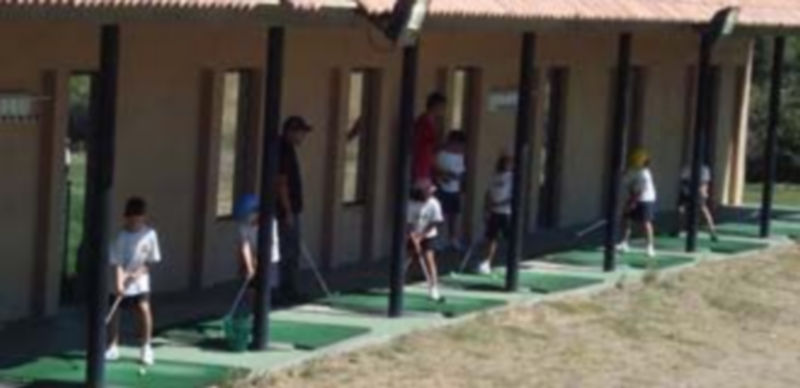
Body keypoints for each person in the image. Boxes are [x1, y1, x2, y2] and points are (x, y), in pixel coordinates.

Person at [105, 197, 161, 366]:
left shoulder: (150, 235)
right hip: (121, 278)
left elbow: (151, 261)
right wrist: (119, 283)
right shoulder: (121, 237)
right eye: (131, 219)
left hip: (141, 280)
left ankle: (146, 347)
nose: (135, 223)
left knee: (144, 308)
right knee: (115, 311)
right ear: (126, 218)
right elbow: (117, 263)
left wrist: (138, 273)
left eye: (138, 219)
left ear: (143, 217)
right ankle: (112, 346)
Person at [277, 116, 312, 301]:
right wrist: (288, 211)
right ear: (291, 132)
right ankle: (284, 290)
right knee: (287, 251)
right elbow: (281, 182)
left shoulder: (289, 149)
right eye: (301, 132)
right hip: (285, 211)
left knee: (292, 250)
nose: (303, 137)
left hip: (292, 209)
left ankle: (289, 288)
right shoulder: (282, 150)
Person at [234, 194, 280, 307]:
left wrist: (257, 261)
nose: (248, 220)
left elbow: (269, 244)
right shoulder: (243, 225)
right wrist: (248, 266)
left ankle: (267, 303)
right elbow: (244, 246)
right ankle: (250, 303)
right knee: (251, 280)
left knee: (267, 283)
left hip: (269, 256)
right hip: (253, 252)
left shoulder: (270, 222)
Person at [407, 179, 445, 301]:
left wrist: (421, 236)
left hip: (429, 234)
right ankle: (403, 280)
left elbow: (435, 222)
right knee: (409, 257)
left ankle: (434, 287)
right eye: (429, 191)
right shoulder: (411, 204)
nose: (431, 193)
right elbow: (408, 224)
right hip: (414, 233)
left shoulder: (434, 203)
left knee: (429, 259)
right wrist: (413, 237)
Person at [617, 149, 657, 258]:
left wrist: (633, 203)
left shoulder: (645, 173)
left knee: (646, 223)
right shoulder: (632, 170)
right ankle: (624, 243)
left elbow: (640, 191)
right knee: (626, 219)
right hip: (633, 196)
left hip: (646, 199)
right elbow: (627, 182)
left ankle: (650, 247)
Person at [479, 154, 513, 275]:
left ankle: (511, 262)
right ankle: (487, 262)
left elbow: (512, 196)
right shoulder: (494, 177)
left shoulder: (512, 178)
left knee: (510, 238)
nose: (508, 165)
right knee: (491, 238)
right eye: (506, 163)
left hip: (506, 212)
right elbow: (488, 193)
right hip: (494, 212)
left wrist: (498, 204)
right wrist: (487, 208)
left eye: (510, 163)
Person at [434, 131, 467, 250]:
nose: (459, 147)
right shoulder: (441, 154)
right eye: (458, 144)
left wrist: (460, 179)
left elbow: (462, 171)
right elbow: (436, 170)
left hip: (455, 189)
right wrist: (445, 175)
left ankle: (453, 239)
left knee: (454, 216)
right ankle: (438, 240)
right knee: (440, 215)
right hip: (442, 188)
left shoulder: (460, 155)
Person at [675, 164, 719, 241]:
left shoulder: (704, 169)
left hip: (698, 193)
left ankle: (712, 232)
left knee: (704, 211)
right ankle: (678, 229)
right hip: (687, 192)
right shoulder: (688, 168)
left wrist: (703, 193)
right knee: (681, 210)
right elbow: (683, 181)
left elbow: (705, 184)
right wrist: (685, 192)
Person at [412, 92, 447, 181]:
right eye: (442, 107)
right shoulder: (424, 123)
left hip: (427, 166)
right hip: (422, 166)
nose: (443, 111)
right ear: (435, 106)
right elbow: (426, 147)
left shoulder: (432, 123)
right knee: (426, 189)